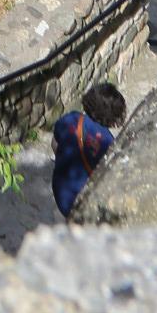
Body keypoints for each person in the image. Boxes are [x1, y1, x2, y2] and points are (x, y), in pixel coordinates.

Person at [51, 83, 125, 220]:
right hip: (81, 206)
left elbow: (54, 144)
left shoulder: (71, 119)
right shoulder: (108, 143)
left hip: (59, 191)